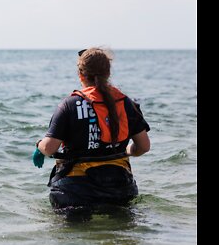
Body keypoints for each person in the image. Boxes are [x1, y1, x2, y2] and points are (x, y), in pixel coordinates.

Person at [32, 47, 150, 211]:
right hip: (120, 189)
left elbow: (49, 148)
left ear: (81, 75)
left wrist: (38, 145)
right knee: (121, 234)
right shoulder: (126, 103)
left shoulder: (69, 105)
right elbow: (143, 147)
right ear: (108, 74)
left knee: (72, 234)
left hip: (75, 191)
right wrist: (126, 150)